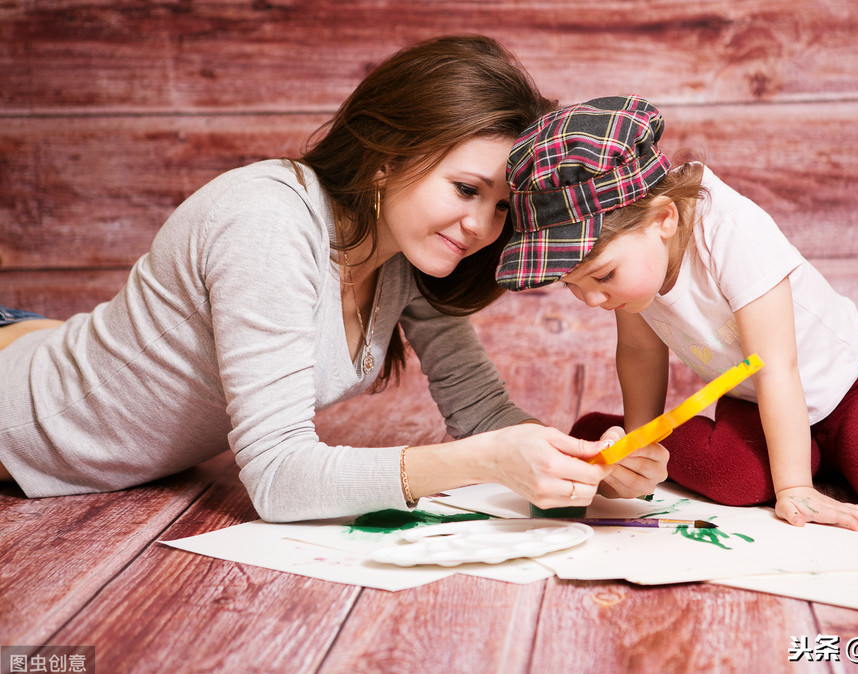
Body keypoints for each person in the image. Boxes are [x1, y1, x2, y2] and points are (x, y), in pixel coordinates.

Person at [0, 35, 639, 523]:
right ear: (389, 159)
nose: (481, 225)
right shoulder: (266, 219)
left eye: (500, 206)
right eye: (466, 189)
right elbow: (278, 479)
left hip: (54, 349)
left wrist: (586, 464)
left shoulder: (405, 254)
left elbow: (483, 414)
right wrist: (489, 462)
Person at [496, 95, 858, 531]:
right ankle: (605, 432)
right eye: (572, 284)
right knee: (736, 480)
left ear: (661, 219)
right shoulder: (637, 271)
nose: (591, 299)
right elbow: (638, 351)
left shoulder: (729, 230)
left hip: (854, 383)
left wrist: (796, 490)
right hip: (753, 397)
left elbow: (777, 368)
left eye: (602, 276)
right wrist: (637, 445)